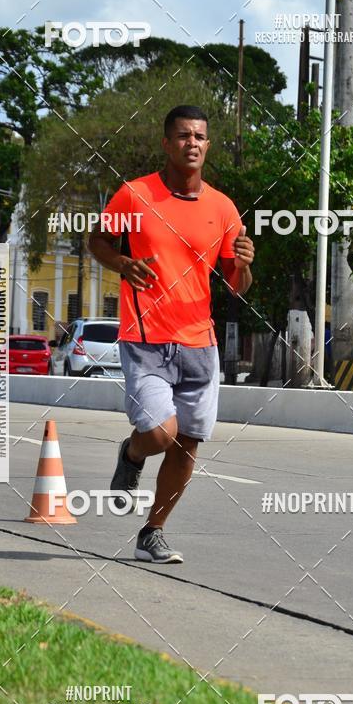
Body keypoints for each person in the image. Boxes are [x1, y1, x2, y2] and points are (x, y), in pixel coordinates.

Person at [88, 105, 254, 563]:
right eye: (184, 136)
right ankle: (133, 452)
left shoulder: (222, 208)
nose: (193, 143)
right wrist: (122, 263)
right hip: (146, 341)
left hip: (201, 345)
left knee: (188, 444)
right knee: (161, 433)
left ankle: (152, 532)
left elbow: (236, 288)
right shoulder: (135, 195)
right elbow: (98, 240)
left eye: (200, 136)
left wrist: (242, 265)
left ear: (208, 144)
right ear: (167, 143)